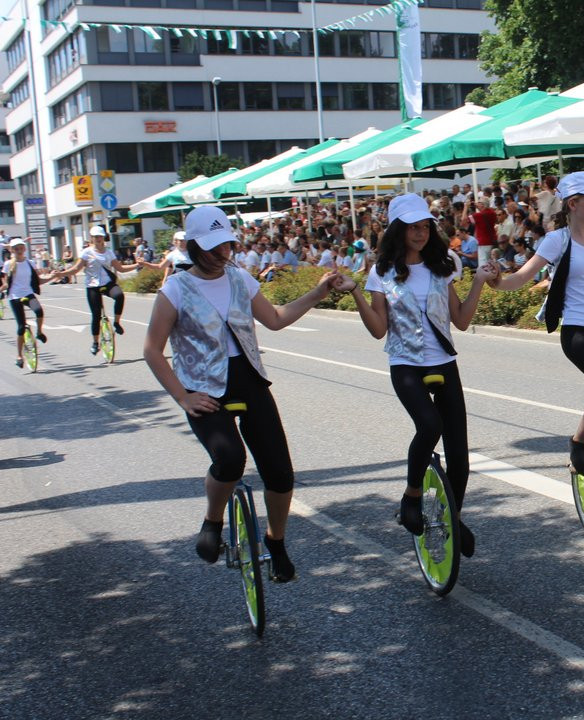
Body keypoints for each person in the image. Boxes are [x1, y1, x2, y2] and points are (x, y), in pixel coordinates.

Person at [143, 206, 337, 581]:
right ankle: (213, 520)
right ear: (194, 247)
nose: (222, 254)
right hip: (203, 388)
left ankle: (276, 540)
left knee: (280, 473)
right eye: (214, 248)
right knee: (230, 459)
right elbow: (152, 350)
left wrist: (317, 293)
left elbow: (276, 319)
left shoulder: (239, 279)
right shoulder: (175, 289)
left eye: (227, 246)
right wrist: (183, 396)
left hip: (248, 379)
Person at [333, 194, 493, 553]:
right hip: (405, 363)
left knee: (460, 456)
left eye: (424, 226)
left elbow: (462, 321)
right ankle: (411, 495)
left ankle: (453, 516)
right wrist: (356, 292)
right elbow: (378, 329)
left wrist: (479, 282)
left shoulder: (444, 264)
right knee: (430, 426)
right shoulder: (382, 271)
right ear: (397, 230)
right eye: (412, 227)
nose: (420, 233)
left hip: (443, 362)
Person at [484, 171, 584, 479]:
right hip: (579, 331)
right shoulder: (558, 240)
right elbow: (523, 277)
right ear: (572, 204)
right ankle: (579, 441)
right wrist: (496, 282)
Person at [52, 225, 139, 356]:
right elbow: (76, 269)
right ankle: (95, 342)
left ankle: (116, 322)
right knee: (96, 315)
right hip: (92, 286)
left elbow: (120, 268)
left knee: (119, 295)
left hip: (107, 284)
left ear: (103, 238)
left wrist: (137, 265)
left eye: (100, 236)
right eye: (95, 237)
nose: (98, 239)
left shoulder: (109, 252)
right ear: (91, 238)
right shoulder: (86, 252)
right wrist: (60, 274)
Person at [1, 238, 56, 367]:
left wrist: (52, 277)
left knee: (39, 311)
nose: (19, 250)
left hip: (28, 293)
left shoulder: (30, 263)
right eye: (16, 249)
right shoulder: (8, 264)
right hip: (14, 297)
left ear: (24, 249)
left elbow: (38, 281)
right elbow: (5, 284)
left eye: (21, 248)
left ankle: (39, 332)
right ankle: (19, 356)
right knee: (21, 327)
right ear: (12, 250)